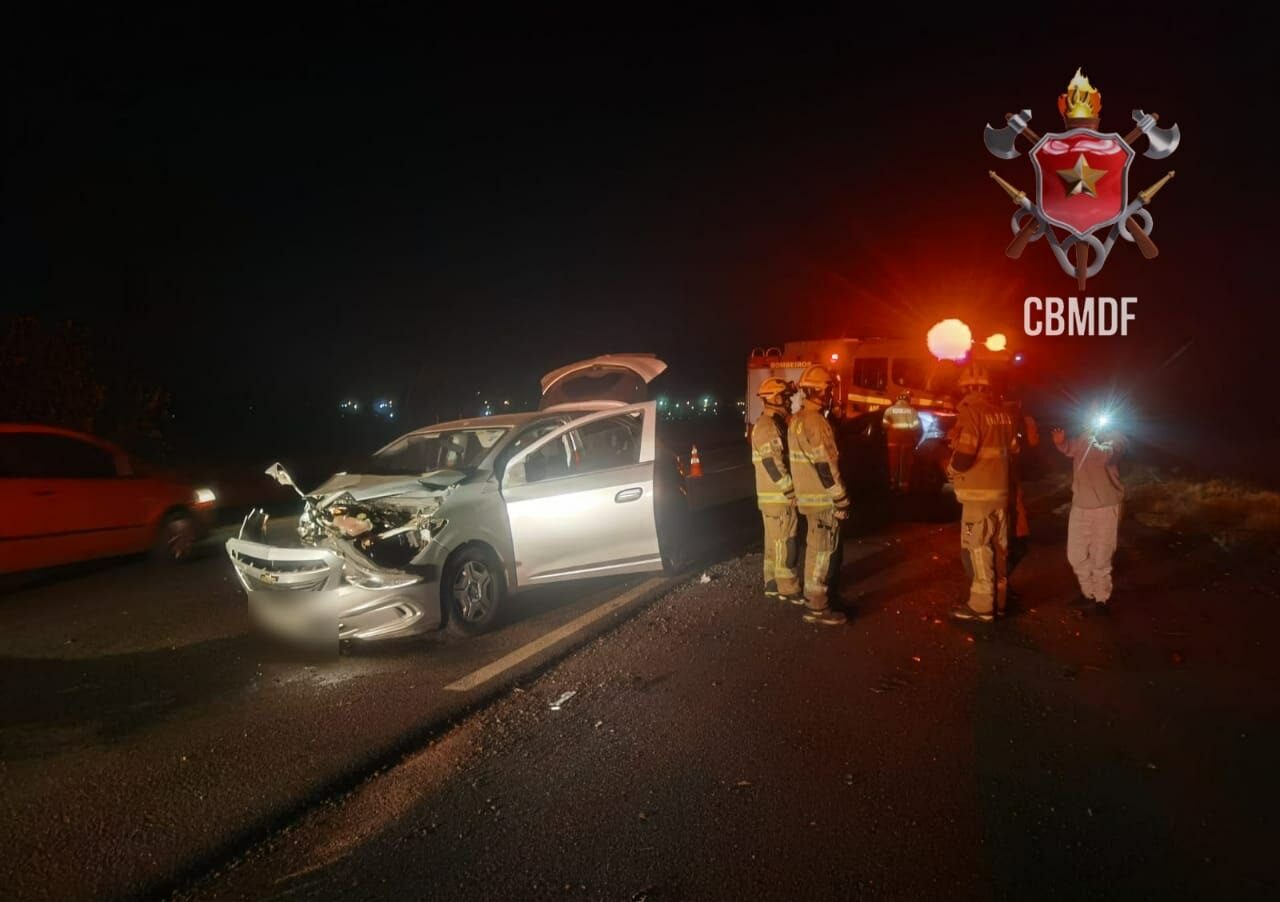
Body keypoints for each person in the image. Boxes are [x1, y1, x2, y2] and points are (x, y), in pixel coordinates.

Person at [946, 362, 1015, 623]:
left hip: (978, 496)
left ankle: (981, 606)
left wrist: (951, 469)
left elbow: (965, 455)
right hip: (1000, 493)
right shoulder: (1003, 414)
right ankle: (1000, 602)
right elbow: (1012, 449)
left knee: (977, 549)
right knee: (998, 548)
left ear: (966, 388)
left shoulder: (971, 413)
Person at [789, 365, 851, 626]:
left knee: (816, 548)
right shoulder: (817, 422)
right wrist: (840, 497)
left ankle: (820, 598)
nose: (830, 394)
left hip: (808, 498)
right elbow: (826, 465)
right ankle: (817, 606)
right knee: (823, 551)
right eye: (828, 389)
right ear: (819, 392)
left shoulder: (797, 420)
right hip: (823, 499)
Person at [1053, 418, 1125, 615]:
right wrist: (1061, 442)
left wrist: (1087, 435)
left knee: (1101, 556)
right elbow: (1070, 448)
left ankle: (1102, 600)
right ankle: (1088, 593)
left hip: (1105, 506)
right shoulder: (1084, 440)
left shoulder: (1117, 440)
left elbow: (1101, 455)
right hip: (1081, 505)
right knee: (1075, 555)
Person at [751, 377, 801, 602]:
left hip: (770, 497)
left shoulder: (768, 424)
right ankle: (788, 589)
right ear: (775, 398)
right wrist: (790, 491)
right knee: (786, 544)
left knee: (773, 543)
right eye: (786, 397)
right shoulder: (769, 426)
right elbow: (773, 464)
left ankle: (772, 583)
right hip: (779, 498)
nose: (789, 402)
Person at [882, 391, 922, 492]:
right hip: (907, 441)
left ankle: (892, 483)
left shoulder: (889, 410)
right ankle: (903, 485)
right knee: (905, 463)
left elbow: (884, 426)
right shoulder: (913, 411)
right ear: (908, 400)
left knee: (893, 462)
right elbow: (916, 427)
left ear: (897, 399)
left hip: (893, 441)